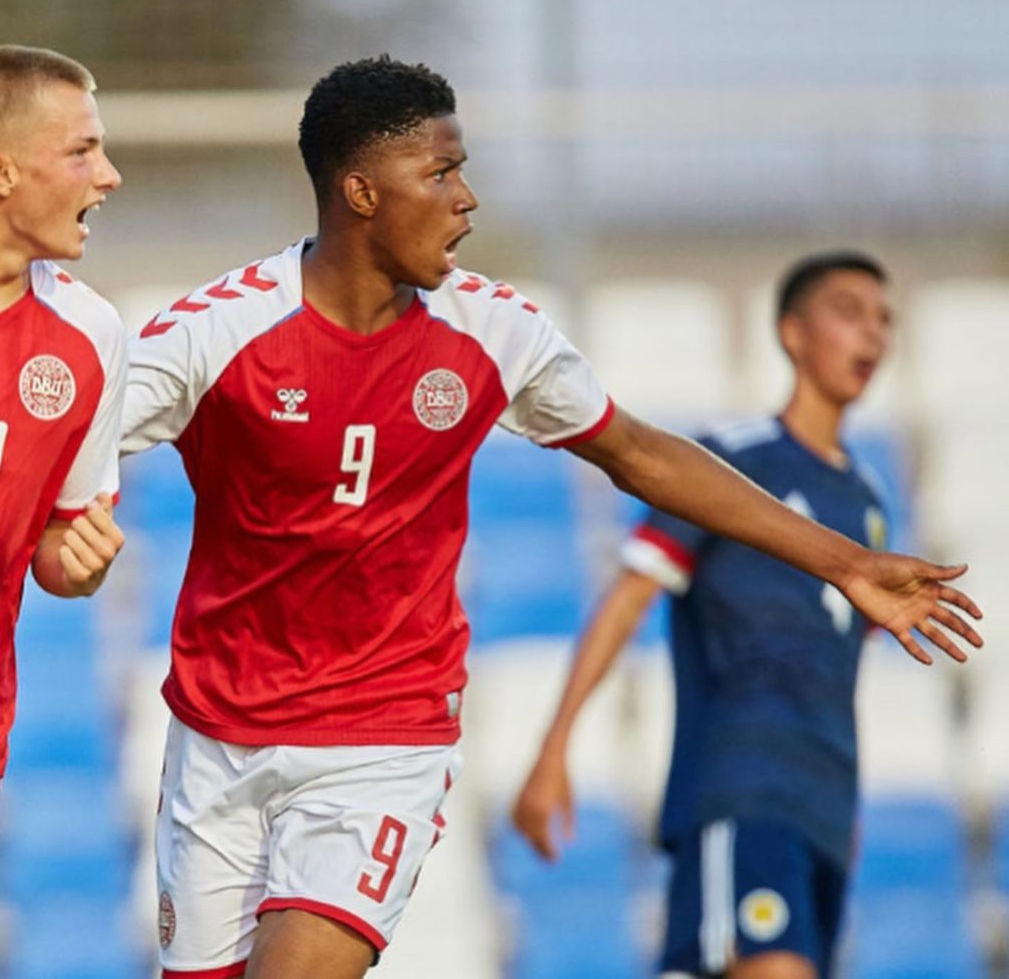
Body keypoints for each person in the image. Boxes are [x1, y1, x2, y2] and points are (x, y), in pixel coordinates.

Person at [120, 58, 981, 979]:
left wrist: (841, 562)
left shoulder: (495, 331)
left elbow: (640, 453)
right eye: (441, 174)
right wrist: (64, 526)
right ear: (360, 191)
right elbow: (71, 452)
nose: (468, 199)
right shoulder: (218, 332)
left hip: (380, 740)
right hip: (217, 735)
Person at [512, 252, 912, 979]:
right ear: (793, 332)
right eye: (850, 312)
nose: (873, 336)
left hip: (822, 807)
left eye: (884, 320)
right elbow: (630, 596)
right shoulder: (728, 465)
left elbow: (839, 669)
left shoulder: (871, 504)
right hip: (744, 788)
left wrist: (847, 803)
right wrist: (553, 747)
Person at [0, 44, 126, 874]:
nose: (107, 176)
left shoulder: (89, 339)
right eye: (81, 151)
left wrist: (83, 563)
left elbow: (58, 551)